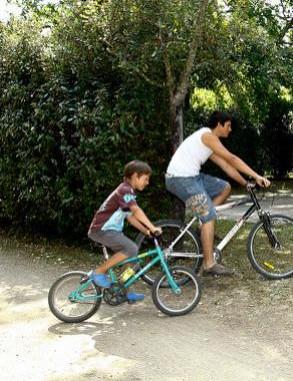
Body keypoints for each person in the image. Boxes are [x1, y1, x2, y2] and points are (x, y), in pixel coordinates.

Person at [165, 110, 271, 276]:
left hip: (191, 176)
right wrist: (256, 176)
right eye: (228, 126)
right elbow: (232, 159)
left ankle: (204, 224)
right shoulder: (208, 136)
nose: (230, 129)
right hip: (181, 179)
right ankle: (208, 264)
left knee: (224, 188)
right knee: (209, 217)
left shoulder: (208, 142)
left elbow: (227, 166)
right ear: (219, 124)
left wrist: (245, 183)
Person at [88, 160, 162, 302]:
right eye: (146, 179)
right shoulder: (125, 190)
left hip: (110, 231)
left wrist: (146, 231)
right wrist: (152, 227)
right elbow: (136, 210)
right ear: (135, 176)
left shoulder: (127, 192)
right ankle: (98, 272)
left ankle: (122, 290)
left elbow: (131, 217)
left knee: (133, 260)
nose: (147, 183)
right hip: (101, 230)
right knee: (131, 247)